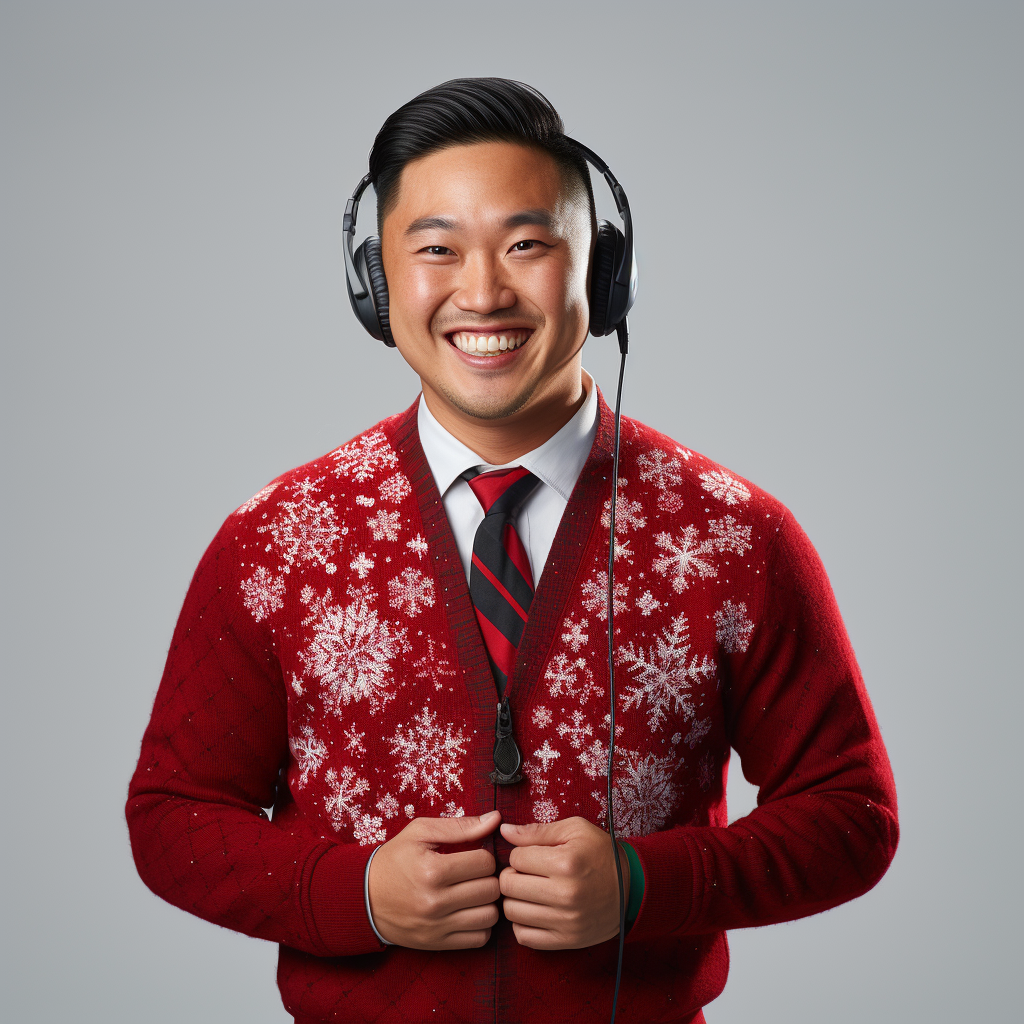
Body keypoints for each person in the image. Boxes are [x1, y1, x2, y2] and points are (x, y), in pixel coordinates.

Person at [126, 78, 899, 1024]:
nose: (483, 291)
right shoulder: (274, 542)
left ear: (605, 273)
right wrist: (355, 893)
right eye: (437, 249)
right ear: (375, 284)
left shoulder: (735, 536)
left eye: (527, 245)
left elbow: (854, 815)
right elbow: (171, 817)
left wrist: (649, 886)